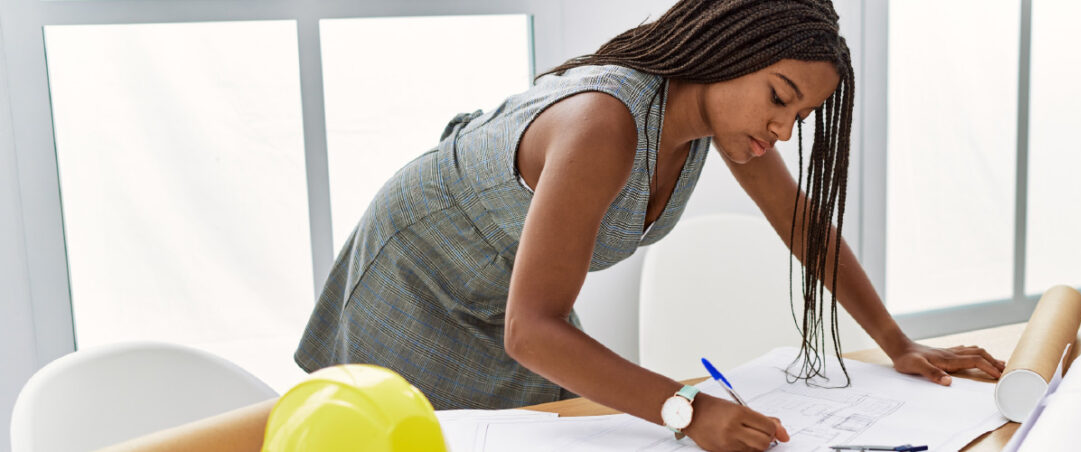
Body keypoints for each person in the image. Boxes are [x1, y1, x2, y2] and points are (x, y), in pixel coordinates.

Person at [294, 0, 1006, 450]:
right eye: (779, 97)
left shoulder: (717, 126)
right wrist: (687, 411)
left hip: (506, 293)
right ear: (730, 50)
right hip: (418, 278)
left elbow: (803, 224)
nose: (783, 129)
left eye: (799, 116)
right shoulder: (608, 122)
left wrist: (898, 342)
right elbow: (531, 330)